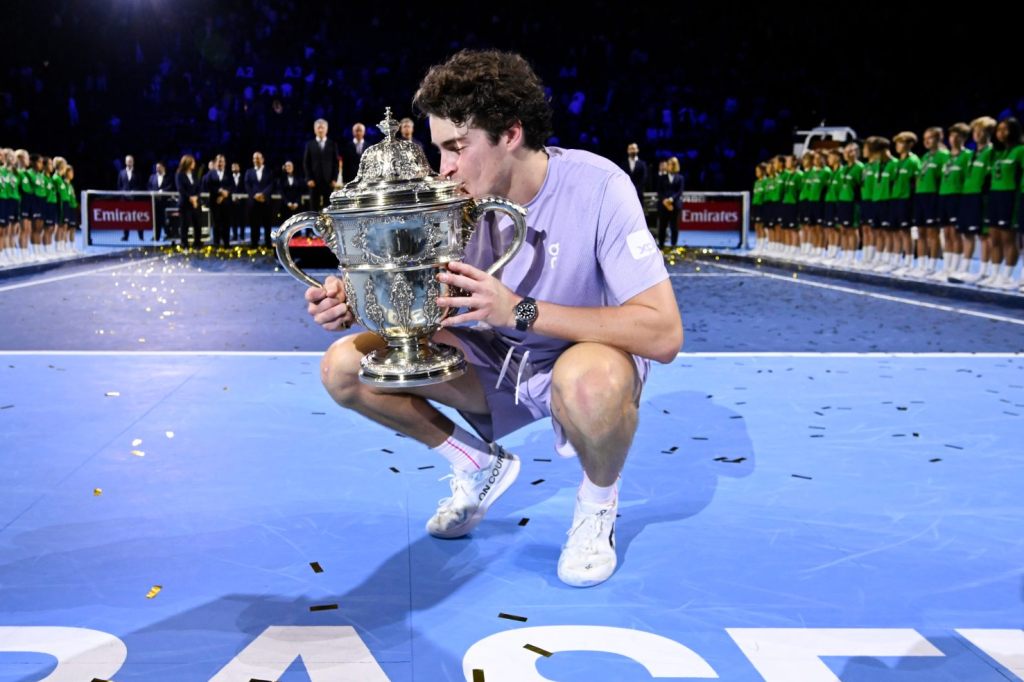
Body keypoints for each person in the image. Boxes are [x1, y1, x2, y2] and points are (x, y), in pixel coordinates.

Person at [303, 50, 682, 587]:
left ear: (510, 133)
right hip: (498, 366)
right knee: (346, 366)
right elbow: (420, 302)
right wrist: (355, 299)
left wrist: (520, 311)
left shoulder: (599, 186)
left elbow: (664, 333)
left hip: (580, 361)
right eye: (438, 150)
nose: (445, 168)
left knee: (590, 383)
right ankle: (478, 463)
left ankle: (598, 503)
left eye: (457, 147)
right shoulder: (452, 202)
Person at [302, 118, 340, 211]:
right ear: (315, 129)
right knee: (313, 207)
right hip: (314, 182)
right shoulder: (310, 144)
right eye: (318, 128)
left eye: (322, 128)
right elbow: (306, 163)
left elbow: (336, 163)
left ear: (326, 129)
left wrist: (335, 179)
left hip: (329, 182)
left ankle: (328, 225)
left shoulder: (332, 144)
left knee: (329, 207)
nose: (320, 130)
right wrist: (309, 179)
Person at [245, 151, 274, 247]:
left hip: (266, 202)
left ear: (262, 159)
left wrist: (263, 194)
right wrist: (255, 195)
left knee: (267, 225)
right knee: (254, 224)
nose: (256, 160)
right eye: (254, 158)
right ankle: (254, 243)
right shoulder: (249, 172)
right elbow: (247, 185)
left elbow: (271, 184)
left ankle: (268, 243)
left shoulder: (269, 171)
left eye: (258, 158)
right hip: (253, 203)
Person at [176, 154, 203, 249]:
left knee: (198, 224)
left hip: (196, 204)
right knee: (185, 225)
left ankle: (198, 243)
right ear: (188, 163)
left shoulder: (194, 175)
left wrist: (196, 198)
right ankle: (184, 244)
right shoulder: (179, 175)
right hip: (185, 204)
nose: (194, 164)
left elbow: (199, 188)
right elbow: (181, 189)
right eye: (193, 162)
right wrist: (190, 198)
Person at [656, 156, 683, 248]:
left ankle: (673, 245)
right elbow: (659, 191)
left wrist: (671, 199)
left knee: (674, 227)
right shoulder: (661, 177)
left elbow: (679, 191)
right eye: (670, 164)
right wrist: (665, 201)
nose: (670, 166)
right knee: (662, 227)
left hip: (675, 206)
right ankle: (661, 246)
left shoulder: (680, 178)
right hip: (663, 206)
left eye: (673, 164)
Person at [117, 154, 144, 241]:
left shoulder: (138, 173)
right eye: (128, 161)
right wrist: (124, 193)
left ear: (133, 162)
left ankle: (141, 236)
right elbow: (119, 186)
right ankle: (125, 236)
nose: (129, 162)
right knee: (125, 219)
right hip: (124, 200)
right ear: (125, 162)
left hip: (135, 200)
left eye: (131, 161)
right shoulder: (121, 173)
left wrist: (134, 192)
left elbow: (140, 185)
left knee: (138, 218)